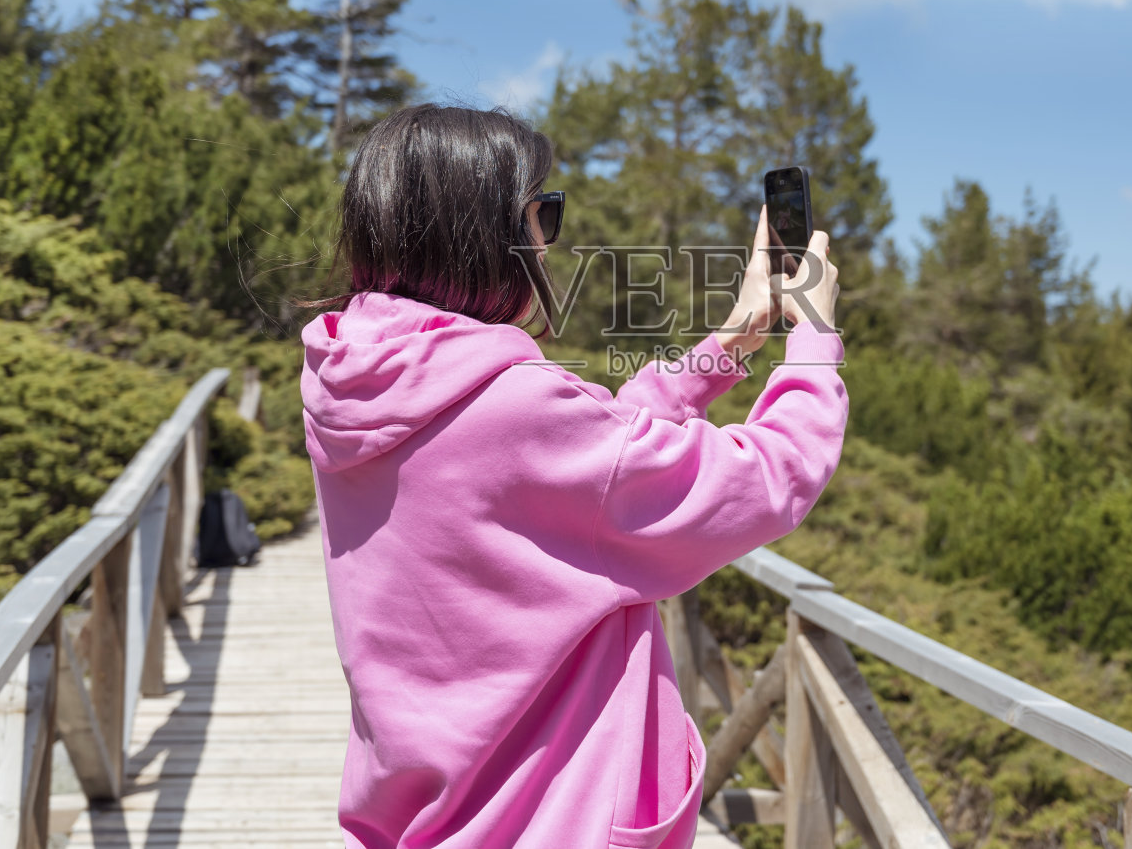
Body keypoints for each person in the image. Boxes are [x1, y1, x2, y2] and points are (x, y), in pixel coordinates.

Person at [300, 104, 846, 848]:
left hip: (422, 813)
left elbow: (584, 458)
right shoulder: (512, 404)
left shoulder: (355, 381)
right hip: (555, 819)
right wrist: (811, 336)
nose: (548, 241)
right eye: (541, 213)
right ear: (480, 233)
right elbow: (773, 476)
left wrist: (727, 346)